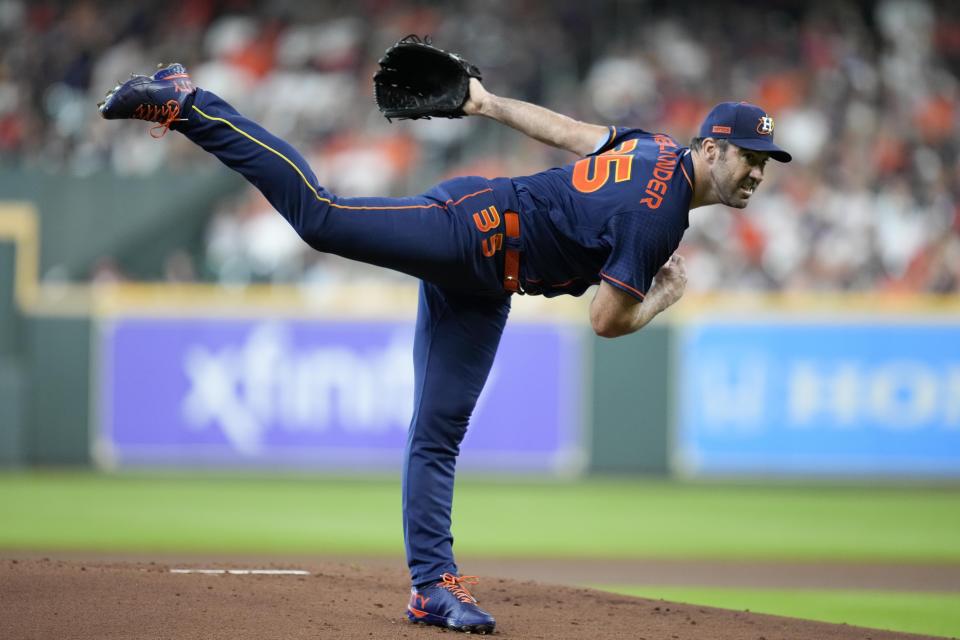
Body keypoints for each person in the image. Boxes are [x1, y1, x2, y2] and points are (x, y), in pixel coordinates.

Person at [99, 62, 791, 635]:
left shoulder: (656, 150)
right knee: (321, 217)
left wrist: (489, 104)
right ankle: (188, 102)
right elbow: (605, 320)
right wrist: (665, 296)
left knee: (438, 432)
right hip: (475, 231)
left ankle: (431, 587)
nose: (757, 173)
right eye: (749, 157)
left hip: (489, 278)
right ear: (711, 148)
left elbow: (574, 134)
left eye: (766, 163)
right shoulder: (660, 214)